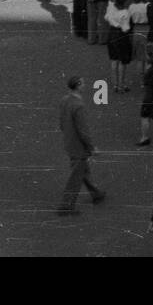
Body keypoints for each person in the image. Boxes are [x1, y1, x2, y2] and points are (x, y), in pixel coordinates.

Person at [57, 75, 104, 215]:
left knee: (83, 170)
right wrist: (91, 147)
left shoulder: (65, 100)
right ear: (78, 85)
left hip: (69, 142)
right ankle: (66, 206)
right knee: (76, 176)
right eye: (83, 83)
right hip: (79, 146)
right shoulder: (79, 106)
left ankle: (96, 193)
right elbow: (83, 130)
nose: (85, 85)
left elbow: (61, 123)